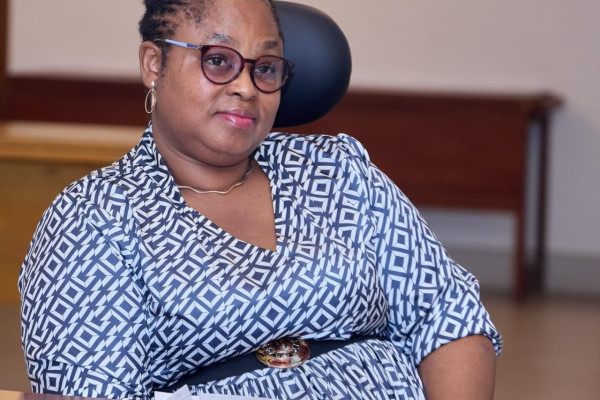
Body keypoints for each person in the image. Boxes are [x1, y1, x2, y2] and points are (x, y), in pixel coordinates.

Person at [19, 0, 502, 399]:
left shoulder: (338, 171)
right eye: (218, 60)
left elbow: (447, 316)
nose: (246, 87)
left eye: (265, 68)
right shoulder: (95, 219)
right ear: (153, 63)